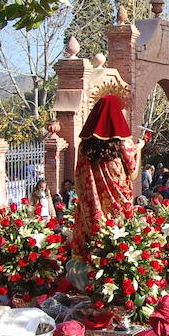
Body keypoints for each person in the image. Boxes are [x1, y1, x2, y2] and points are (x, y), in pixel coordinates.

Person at [73, 94, 144, 262]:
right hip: (118, 203)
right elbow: (133, 171)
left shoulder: (84, 146)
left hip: (93, 205)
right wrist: (139, 148)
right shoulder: (123, 143)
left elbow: (79, 178)